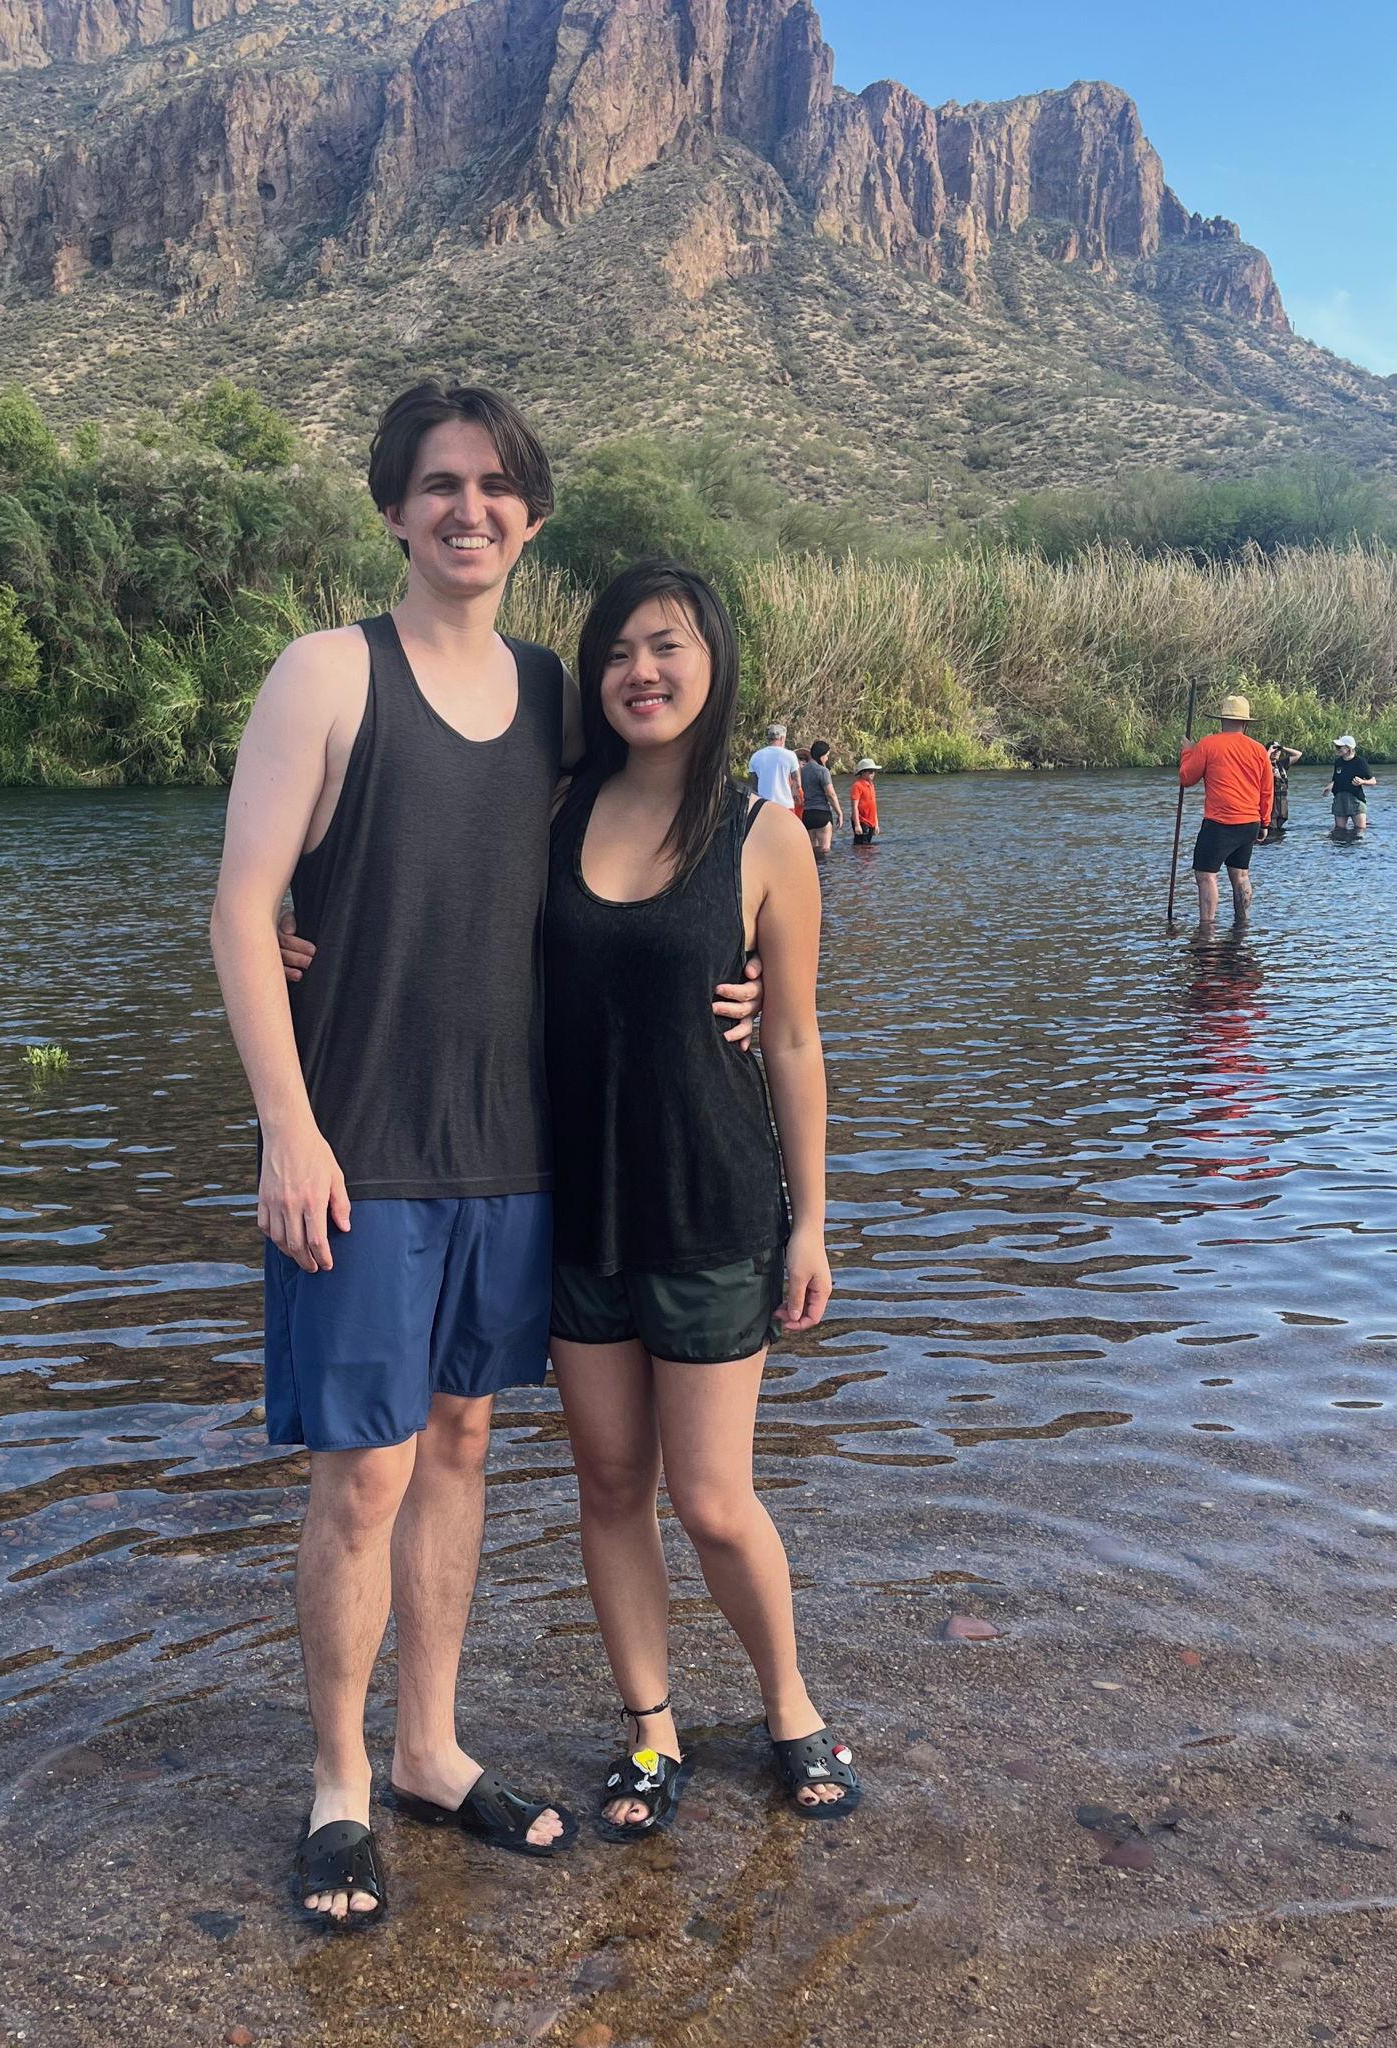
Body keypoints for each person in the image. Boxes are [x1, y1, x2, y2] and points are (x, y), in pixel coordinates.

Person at [209, 383, 763, 1933]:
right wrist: (287, 1127)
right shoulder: (329, 675)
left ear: (531, 516)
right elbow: (245, 912)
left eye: (498, 486)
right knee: (364, 1472)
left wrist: (756, 967)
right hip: (360, 1148)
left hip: (511, 1154)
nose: (470, 508)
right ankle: (336, 1783)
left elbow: (684, 802)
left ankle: (430, 1750)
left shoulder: (551, 698)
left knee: (460, 1448)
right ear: (397, 509)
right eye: (441, 484)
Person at [544, 559, 859, 1837]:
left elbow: (790, 1036)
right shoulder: (554, 812)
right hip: (576, 1203)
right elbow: (445, 926)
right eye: (617, 650)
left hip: (713, 1196)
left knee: (712, 1496)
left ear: (711, 662)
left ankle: (788, 1703)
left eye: (665, 646)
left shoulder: (762, 834)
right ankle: (650, 1730)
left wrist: (811, 1216)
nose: (641, 671)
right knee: (610, 1483)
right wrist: (313, 942)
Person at [1179, 693, 1274, 924]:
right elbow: (1267, 789)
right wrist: (1265, 822)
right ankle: (1242, 923)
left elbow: (1186, 778)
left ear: (1222, 720)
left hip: (1220, 823)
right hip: (1249, 822)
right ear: (1245, 723)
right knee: (1240, 874)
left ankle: (1207, 927)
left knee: (1205, 875)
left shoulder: (1208, 745)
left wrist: (1188, 751)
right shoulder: (1259, 749)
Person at [1325, 734, 1376, 834]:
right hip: (1339, 799)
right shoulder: (1338, 762)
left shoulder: (1360, 762)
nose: (1337, 749)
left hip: (1355, 799)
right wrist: (1329, 787)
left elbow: (1373, 781)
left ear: (1348, 748)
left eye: (1339, 747)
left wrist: (1363, 782)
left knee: (1360, 831)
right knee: (1339, 831)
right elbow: (1336, 779)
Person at [800, 740, 840, 853]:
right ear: (821, 756)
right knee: (825, 850)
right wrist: (839, 813)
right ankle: (825, 871)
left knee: (812, 851)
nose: (827, 759)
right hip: (822, 813)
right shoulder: (823, 771)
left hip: (807, 814)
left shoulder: (802, 771)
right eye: (827, 756)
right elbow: (830, 794)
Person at [748, 722, 800, 809]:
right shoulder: (790, 755)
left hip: (763, 806)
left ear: (768, 738)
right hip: (785, 806)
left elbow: (754, 786)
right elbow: (797, 782)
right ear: (782, 738)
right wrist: (796, 797)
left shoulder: (755, 756)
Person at [1264, 741, 1302, 835]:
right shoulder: (1263, 763)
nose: (1276, 752)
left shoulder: (1282, 764)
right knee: (1271, 828)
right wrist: (1268, 752)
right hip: (1270, 802)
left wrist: (1283, 748)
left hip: (1282, 802)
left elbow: (1298, 754)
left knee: (1280, 830)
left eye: (1278, 750)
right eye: (1274, 749)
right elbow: (1260, 763)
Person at [849, 757, 881, 845]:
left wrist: (876, 824)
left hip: (871, 821)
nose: (873, 774)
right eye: (870, 771)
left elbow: (873, 806)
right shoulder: (857, 785)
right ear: (862, 772)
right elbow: (854, 807)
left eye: (874, 771)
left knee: (868, 845)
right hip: (861, 820)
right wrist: (857, 825)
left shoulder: (871, 785)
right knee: (861, 845)